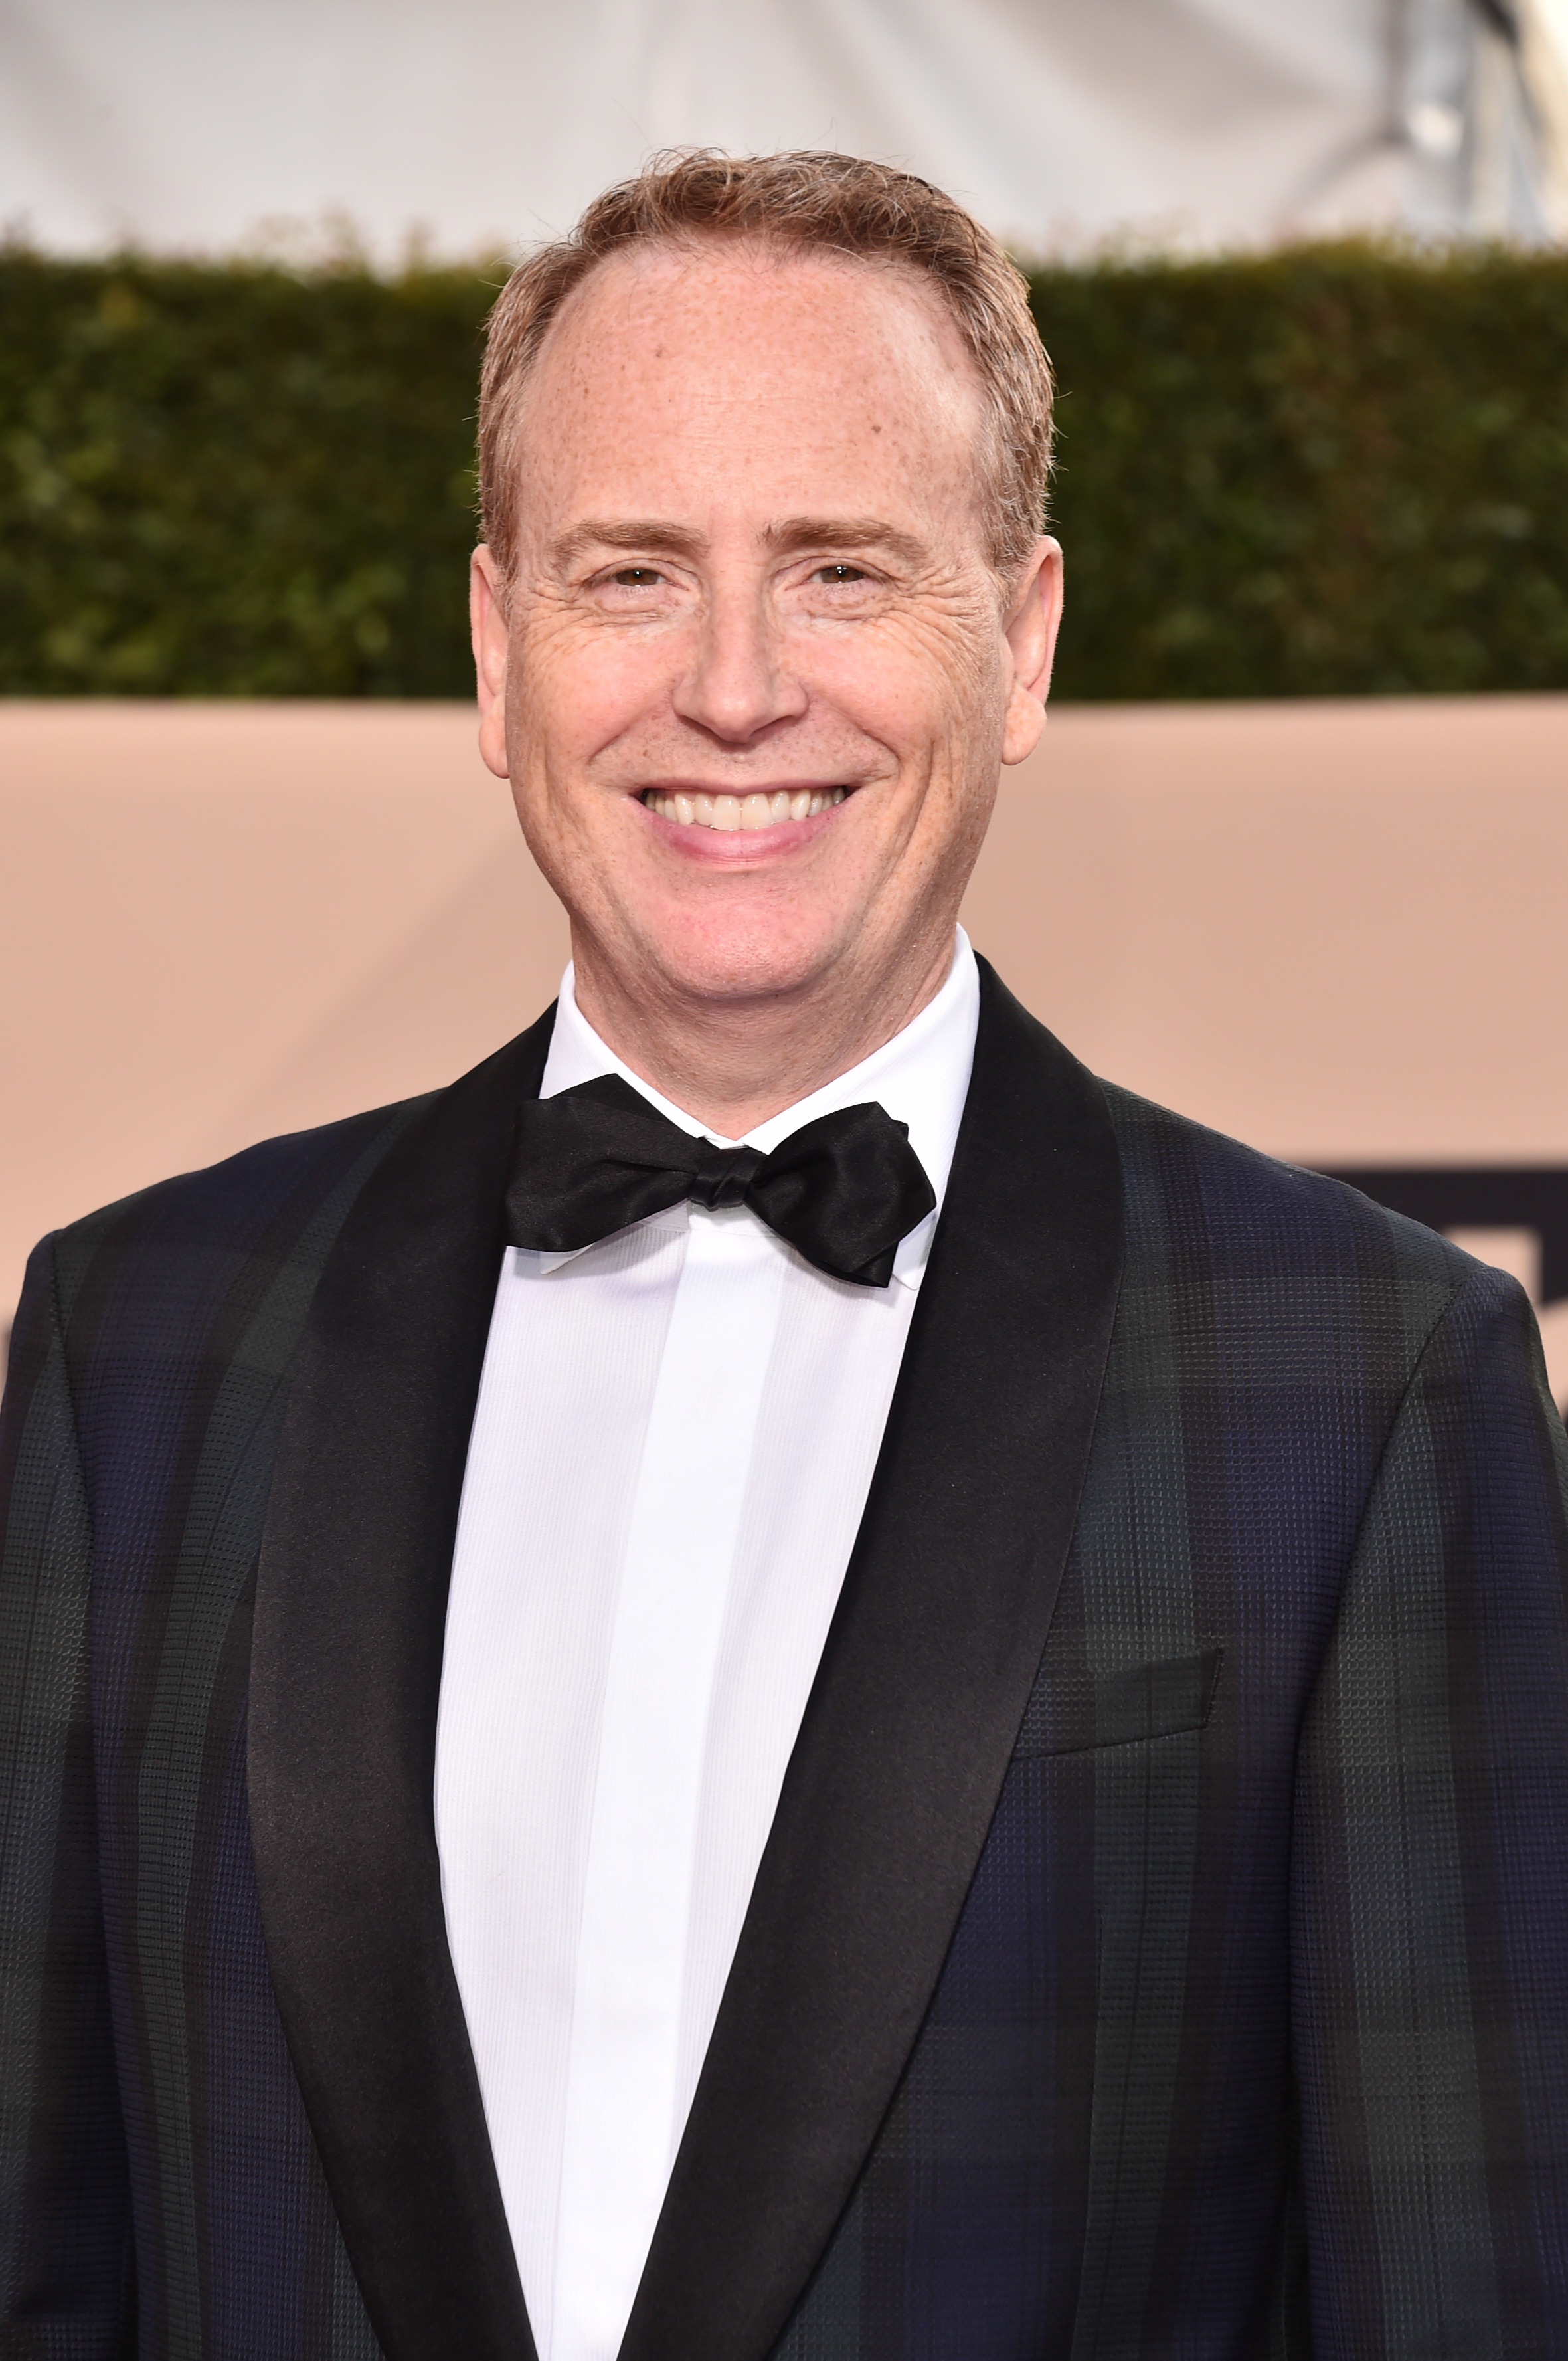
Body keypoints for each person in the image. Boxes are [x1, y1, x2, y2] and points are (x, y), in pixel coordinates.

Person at [1, 149, 1565, 2361]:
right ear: (496, 644)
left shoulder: (1368, 1383)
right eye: (632, 573)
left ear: (1020, 639)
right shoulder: (140, 1348)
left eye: (840, 571)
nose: (732, 689)